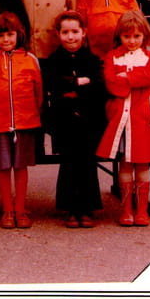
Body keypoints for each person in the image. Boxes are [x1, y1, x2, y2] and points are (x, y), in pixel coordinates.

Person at [96, 10, 150, 226]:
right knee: (125, 163)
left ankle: (142, 210)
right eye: (127, 36)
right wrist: (134, 80)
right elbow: (111, 83)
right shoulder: (112, 56)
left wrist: (126, 76)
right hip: (121, 118)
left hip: (144, 117)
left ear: (145, 35)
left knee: (142, 164)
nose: (132, 41)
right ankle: (126, 210)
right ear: (120, 36)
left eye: (136, 36)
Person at [43, 12, 106, 228]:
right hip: (64, 120)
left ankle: (87, 208)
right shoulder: (54, 60)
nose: (71, 37)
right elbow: (53, 84)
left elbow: (98, 86)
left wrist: (72, 90)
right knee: (69, 163)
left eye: (75, 32)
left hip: (89, 119)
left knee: (87, 163)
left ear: (84, 32)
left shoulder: (92, 59)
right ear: (58, 34)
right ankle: (71, 209)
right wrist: (78, 82)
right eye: (65, 32)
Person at [0, 11, 43, 229]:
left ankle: (20, 209)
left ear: (18, 34)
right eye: (1, 35)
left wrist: (32, 115)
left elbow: (38, 93)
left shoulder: (30, 60)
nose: (6, 39)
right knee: (4, 166)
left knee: (21, 166)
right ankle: (7, 209)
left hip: (26, 122)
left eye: (10, 34)